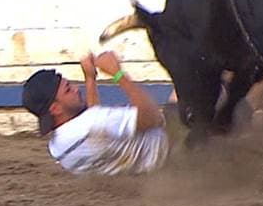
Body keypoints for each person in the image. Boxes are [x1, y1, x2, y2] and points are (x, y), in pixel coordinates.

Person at [22, 51, 169, 176]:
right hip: (170, 151)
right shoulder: (94, 123)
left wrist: (90, 78)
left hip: (140, 175)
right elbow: (153, 118)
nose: (76, 89)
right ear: (56, 109)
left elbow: (94, 123)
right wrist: (118, 74)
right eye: (68, 89)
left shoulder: (57, 148)